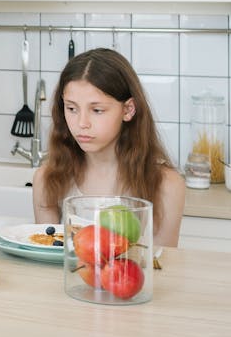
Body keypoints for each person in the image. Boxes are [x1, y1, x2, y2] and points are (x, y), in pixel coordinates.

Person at [32, 48, 185, 247]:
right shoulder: (46, 180)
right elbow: (47, 260)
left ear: (128, 109)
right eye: (71, 108)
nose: (82, 123)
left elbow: (161, 267)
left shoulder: (166, 185)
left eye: (97, 110)